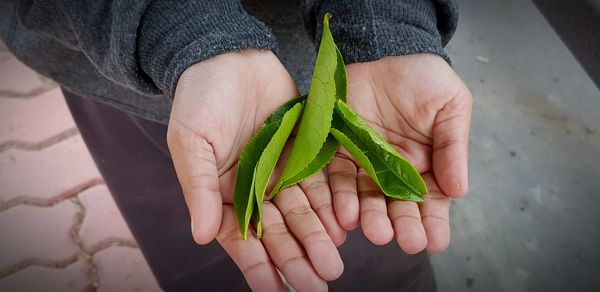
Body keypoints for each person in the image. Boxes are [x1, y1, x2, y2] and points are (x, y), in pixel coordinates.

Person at [0, 0, 472, 291]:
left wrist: (386, 21)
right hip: (114, 53)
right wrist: (185, 31)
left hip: (339, 76)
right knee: (205, 254)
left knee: (371, 259)